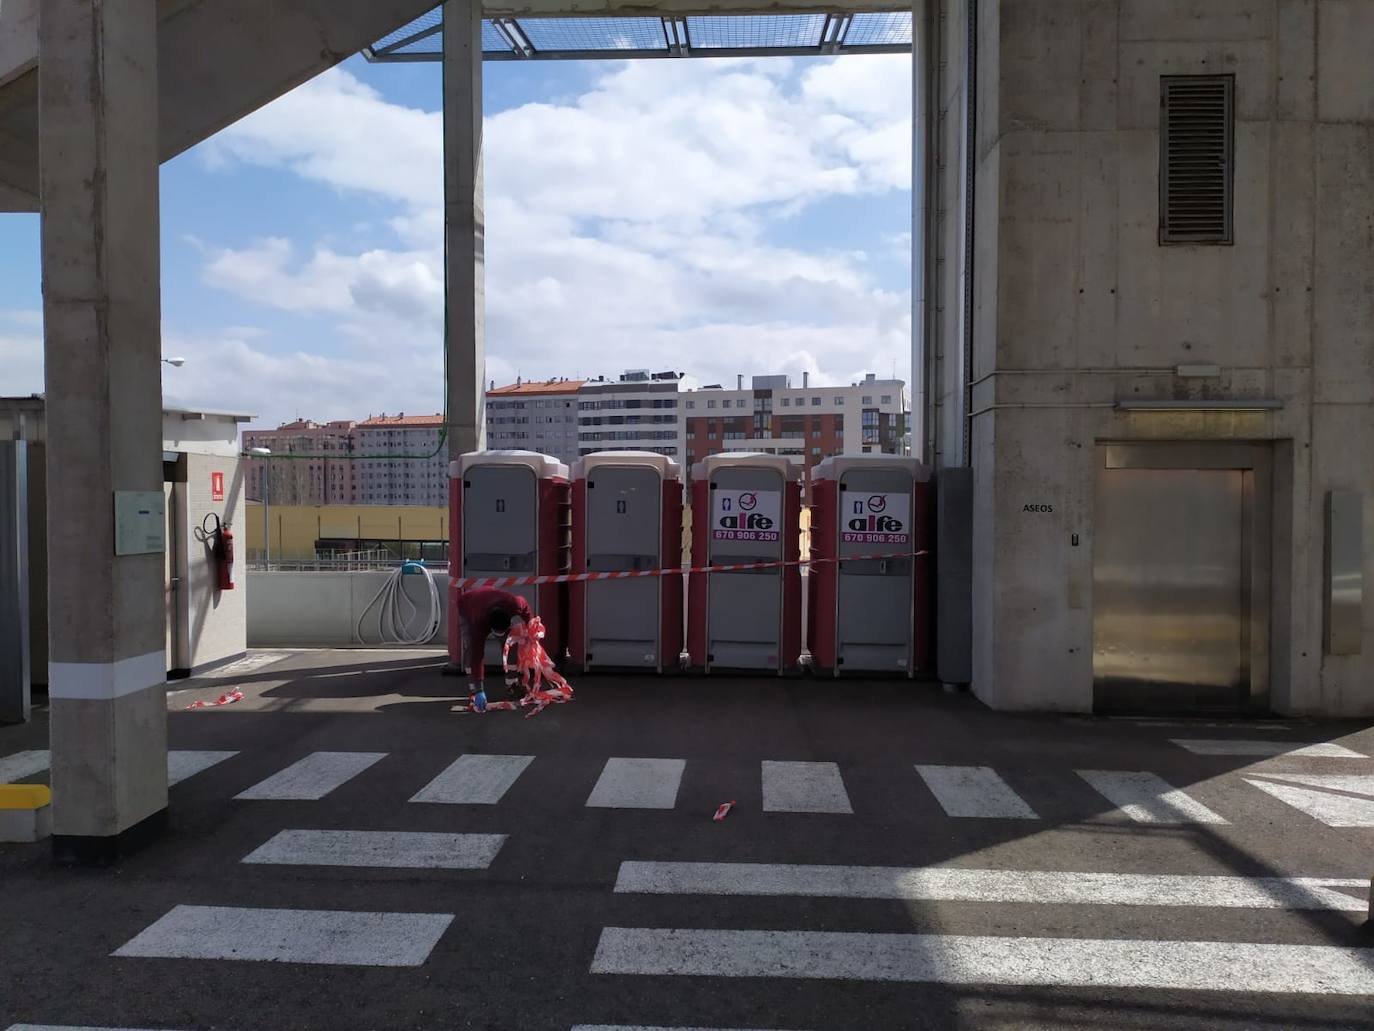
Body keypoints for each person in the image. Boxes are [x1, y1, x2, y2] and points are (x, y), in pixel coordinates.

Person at [455, 587, 534, 712]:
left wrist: (532, 626)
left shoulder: (514, 604)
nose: (501, 637)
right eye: (498, 634)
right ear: (490, 629)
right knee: (471, 649)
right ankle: (474, 692)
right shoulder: (477, 625)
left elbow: (526, 609)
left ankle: (512, 685)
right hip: (468, 604)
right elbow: (477, 656)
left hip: (492, 601)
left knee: (511, 643)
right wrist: (479, 690)